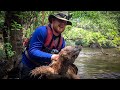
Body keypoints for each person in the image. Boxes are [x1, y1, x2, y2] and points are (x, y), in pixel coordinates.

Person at [19, 11, 72, 79]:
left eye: (64, 22)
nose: (62, 24)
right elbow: (33, 51)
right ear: (53, 20)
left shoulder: (62, 41)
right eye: (60, 20)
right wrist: (52, 56)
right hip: (28, 66)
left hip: (45, 69)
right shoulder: (41, 31)